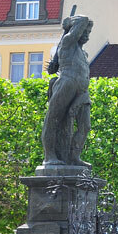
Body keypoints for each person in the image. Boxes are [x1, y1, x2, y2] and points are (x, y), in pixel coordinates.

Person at [41, 15, 93, 166]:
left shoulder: (83, 54)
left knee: (85, 126)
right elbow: (83, 19)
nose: (87, 36)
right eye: (84, 32)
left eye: (89, 32)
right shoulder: (68, 42)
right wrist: (69, 22)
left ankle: (73, 157)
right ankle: (49, 156)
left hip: (82, 91)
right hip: (67, 84)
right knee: (54, 119)